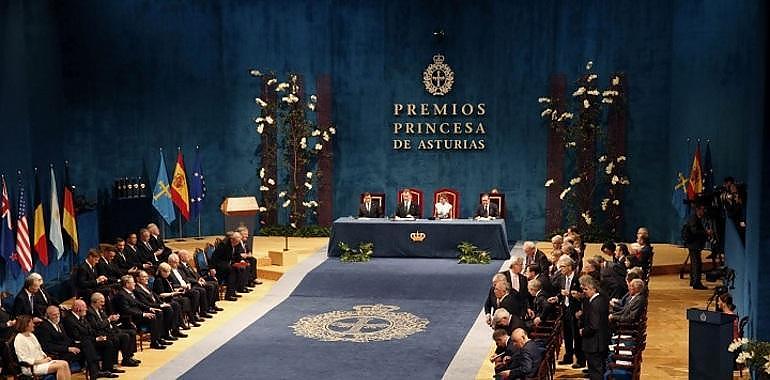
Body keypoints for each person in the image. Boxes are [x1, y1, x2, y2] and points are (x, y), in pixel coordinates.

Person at [62, 300, 121, 377]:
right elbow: (77, 337)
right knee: (104, 343)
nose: (86, 309)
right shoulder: (69, 320)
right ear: (77, 308)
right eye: (84, 307)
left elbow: (91, 330)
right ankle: (95, 372)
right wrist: (95, 339)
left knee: (109, 340)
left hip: (89, 340)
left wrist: (99, 336)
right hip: (79, 343)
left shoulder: (82, 317)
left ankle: (107, 368)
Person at [112, 274, 169, 350]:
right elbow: (126, 310)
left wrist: (149, 308)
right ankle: (154, 342)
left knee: (158, 313)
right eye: (132, 282)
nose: (134, 283)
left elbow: (139, 303)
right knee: (154, 317)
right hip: (131, 318)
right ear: (127, 284)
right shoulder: (121, 295)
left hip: (138, 314)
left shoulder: (130, 292)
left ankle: (158, 338)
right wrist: (143, 314)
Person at [548, 255, 584, 368]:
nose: (561, 269)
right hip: (565, 310)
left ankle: (580, 360)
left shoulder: (578, 278)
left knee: (577, 337)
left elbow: (584, 296)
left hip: (576, 312)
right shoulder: (562, 278)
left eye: (563, 267)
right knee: (567, 335)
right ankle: (568, 357)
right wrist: (557, 298)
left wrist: (574, 295)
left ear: (569, 267)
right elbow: (562, 292)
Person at [87, 292, 140, 367]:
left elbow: (106, 321)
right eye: (101, 302)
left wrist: (113, 319)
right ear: (95, 301)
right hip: (101, 333)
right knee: (123, 336)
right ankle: (118, 361)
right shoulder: (90, 312)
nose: (103, 304)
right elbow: (97, 326)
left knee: (131, 332)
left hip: (110, 329)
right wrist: (109, 319)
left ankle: (128, 358)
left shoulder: (100, 309)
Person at [12, 314, 72, 380]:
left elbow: (39, 349)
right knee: (60, 366)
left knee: (65, 363)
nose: (33, 325)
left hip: (42, 362)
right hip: (31, 367)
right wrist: (42, 361)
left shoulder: (31, 335)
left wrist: (45, 357)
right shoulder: (19, 339)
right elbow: (24, 359)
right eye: (31, 323)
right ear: (26, 324)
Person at [579, 275, 610, 380]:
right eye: (582, 289)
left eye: (586, 289)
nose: (584, 291)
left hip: (594, 344)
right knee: (598, 369)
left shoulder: (594, 304)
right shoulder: (602, 299)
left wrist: (583, 331)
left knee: (595, 371)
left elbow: (594, 326)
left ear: (593, 288)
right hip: (601, 341)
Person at [683, 203, 710, 289]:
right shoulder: (694, 218)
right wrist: (706, 233)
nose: (704, 211)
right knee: (696, 264)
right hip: (693, 244)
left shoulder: (696, 218)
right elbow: (694, 231)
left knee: (694, 263)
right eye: (702, 209)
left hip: (694, 244)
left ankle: (693, 281)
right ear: (698, 210)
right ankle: (696, 283)